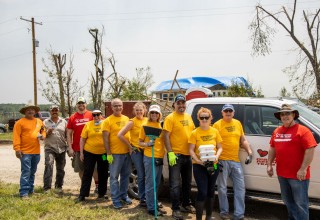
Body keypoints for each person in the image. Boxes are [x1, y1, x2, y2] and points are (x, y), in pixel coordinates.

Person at [268, 104, 317, 220]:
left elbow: (310, 149)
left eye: (288, 113)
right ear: (280, 116)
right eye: (282, 114)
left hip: (298, 176)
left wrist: (303, 169)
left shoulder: (303, 131)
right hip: (282, 174)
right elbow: (272, 148)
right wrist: (269, 164)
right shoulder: (277, 131)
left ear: (293, 115)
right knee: (288, 201)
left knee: (301, 204)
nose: (285, 116)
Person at [213, 104, 253, 220]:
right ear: (222, 113)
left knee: (240, 188)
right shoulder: (217, 125)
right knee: (222, 188)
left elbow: (243, 139)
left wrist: (249, 152)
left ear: (233, 113)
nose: (228, 112)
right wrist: (216, 160)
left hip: (236, 161)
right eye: (226, 111)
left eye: (230, 110)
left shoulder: (237, 123)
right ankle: (224, 212)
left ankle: (239, 215)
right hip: (222, 160)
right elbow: (214, 142)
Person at [163, 94, 195, 220]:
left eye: (183, 103)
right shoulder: (170, 118)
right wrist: (170, 153)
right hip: (175, 155)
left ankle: (186, 204)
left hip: (188, 156)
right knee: (175, 184)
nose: (181, 105)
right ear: (174, 105)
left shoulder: (188, 117)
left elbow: (192, 133)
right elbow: (165, 135)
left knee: (187, 183)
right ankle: (175, 209)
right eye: (179, 103)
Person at [189, 107, 223, 220]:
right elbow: (191, 150)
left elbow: (220, 147)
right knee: (202, 191)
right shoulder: (195, 133)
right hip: (199, 165)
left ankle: (208, 216)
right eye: (202, 117)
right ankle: (199, 218)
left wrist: (216, 157)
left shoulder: (215, 131)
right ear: (198, 118)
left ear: (210, 118)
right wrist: (198, 160)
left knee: (211, 190)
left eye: (206, 117)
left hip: (213, 165)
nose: (204, 120)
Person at [102, 98, 131, 209]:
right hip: (115, 154)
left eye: (119, 105)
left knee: (125, 176)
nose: (118, 107)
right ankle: (115, 199)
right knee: (114, 177)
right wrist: (108, 153)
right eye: (115, 106)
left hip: (126, 153)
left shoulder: (126, 118)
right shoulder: (107, 121)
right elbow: (105, 139)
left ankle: (124, 195)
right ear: (111, 107)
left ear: (122, 107)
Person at [118, 102, 148, 207]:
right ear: (134, 111)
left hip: (147, 151)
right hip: (137, 152)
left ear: (145, 110)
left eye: (141, 110)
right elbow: (120, 135)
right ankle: (142, 198)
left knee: (148, 175)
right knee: (141, 175)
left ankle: (148, 197)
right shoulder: (132, 122)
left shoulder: (147, 120)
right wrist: (130, 146)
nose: (139, 112)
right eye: (137, 110)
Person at [13, 104, 46, 199]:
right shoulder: (20, 123)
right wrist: (17, 149)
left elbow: (43, 130)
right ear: (25, 112)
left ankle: (30, 190)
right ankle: (23, 193)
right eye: (28, 110)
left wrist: (43, 136)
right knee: (26, 172)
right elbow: (16, 137)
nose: (30, 111)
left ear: (35, 112)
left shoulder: (39, 121)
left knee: (32, 172)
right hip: (25, 152)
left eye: (32, 110)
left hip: (36, 152)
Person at [139, 104, 167, 216]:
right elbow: (139, 142)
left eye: (156, 113)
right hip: (150, 156)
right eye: (152, 113)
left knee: (157, 183)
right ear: (149, 113)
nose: (154, 114)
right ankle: (151, 208)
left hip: (159, 157)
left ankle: (155, 205)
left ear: (159, 114)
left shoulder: (161, 126)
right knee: (150, 183)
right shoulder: (144, 126)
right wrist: (147, 144)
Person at [66, 97, 99, 191]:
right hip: (77, 148)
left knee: (94, 168)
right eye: (79, 103)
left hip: (92, 147)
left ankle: (97, 186)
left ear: (86, 104)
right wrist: (70, 148)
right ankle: (85, 187)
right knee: (81, 169)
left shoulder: (92, 115)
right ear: (76, 105)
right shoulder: (73, 117)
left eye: (83, 103)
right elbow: (68, 133)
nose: (81, 105)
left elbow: (102, 124)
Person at [77, 110, 108, 202]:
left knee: (103, 173)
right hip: (90, 153)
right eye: (94, 115)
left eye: (98, 114)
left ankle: (102, 193)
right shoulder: (88, 125)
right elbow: (82, 139)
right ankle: (83, 194)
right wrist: (82, 153)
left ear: (101, 115)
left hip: (103, 153)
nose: (96, 117)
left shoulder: (105, 124)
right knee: (87, 173)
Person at [43, 105, 68, 193]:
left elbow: (67, 135)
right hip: (50, 148)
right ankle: (47, 188)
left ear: (58, 111)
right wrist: (47, 132)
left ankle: (58, 186)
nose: (54, 112)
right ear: (50, 111)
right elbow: (42, 136)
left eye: (56, 110)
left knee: (61, 168)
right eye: (52, 110)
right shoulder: (45, 122)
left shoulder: (64, 121)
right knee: (49, 165)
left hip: (61, 148)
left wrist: (68, 147)